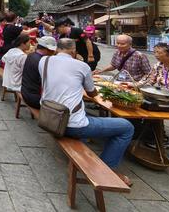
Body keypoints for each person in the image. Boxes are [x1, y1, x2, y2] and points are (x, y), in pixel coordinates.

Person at [39, 38, 134, 186]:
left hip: (50, 118)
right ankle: (107, 169)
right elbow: (91, 93)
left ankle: (97, 154)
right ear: (73, 50)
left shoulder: (43, 61)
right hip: (72, 125)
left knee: (87, 114)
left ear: (57, 49)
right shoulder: (81, 66)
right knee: (126, 127)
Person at [21, 36, 57, 112]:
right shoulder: (42, 61)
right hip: (35, 99)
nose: (54, 52)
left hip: (25, 92)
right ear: (48, 49)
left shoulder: (31, 55)